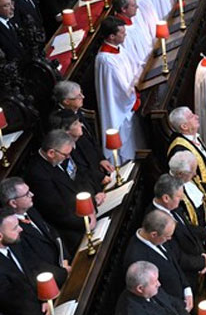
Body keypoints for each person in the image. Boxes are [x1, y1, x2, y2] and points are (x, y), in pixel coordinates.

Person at [24, 130, 102, 253]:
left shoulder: (60, 156)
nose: (68, 158)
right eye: (65, 155)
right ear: (51, 153)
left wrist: (90, 204)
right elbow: (56, 211)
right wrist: (86, 222)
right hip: (69, 226)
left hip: (84, 211)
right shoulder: (37, 174)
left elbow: (79, 180)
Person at [0, 209, 48, 315]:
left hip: (43, 301)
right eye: (14, 228)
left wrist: (46, 297)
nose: (21, 229)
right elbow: (12, 304)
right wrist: (43, 313)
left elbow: (33, 268)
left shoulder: (13, 241)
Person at [0, 177, 70, 285]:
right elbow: (34, 264)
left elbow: (53, 233)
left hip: (64, 265)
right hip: (53, 280)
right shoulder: (13, 230)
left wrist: (65, 259)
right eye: (26, 194)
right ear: (13, 203)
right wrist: (64, 272)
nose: (32, 194)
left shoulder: (30, 210)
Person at [148, 174, 206, 289]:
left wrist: (202, 253)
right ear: (166, 198)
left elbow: (187, 229)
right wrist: (201, 262)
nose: (182, 198)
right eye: (179, 196)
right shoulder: (156, 221)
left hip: (198, 262)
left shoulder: (172, 205)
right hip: (187, 276)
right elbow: (176, 255)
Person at [122, 210, 193, 311]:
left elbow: (174, 263)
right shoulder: (135, 258)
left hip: (183, 297)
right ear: (154, 234)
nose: (170, 238)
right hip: (173, 308)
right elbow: (154, 293)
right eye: (168, 236)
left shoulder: (159, 238)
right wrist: (181, 306)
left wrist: (187, 289)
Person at [95, 16, 143, 163]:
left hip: (129, 95)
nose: (125, 34)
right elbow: (119, 89)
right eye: (122, 32)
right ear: (111, 36)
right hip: (119, 107)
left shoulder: (118, 49)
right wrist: (134, 95)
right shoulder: (106, 60)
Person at [167, 106, 206, 214]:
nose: (196, 116)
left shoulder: (192, 137)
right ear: (184, 126)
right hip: (205, 199)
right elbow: (190, 179)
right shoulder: (179, 150)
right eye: (191, 116)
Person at [49, 108, 112, 191]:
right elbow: (79, 176)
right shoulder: (63, 154)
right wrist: (98, 178)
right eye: (76, 124)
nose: (81, 125)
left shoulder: (81, 138)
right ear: (66, 131)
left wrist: (101, 160)